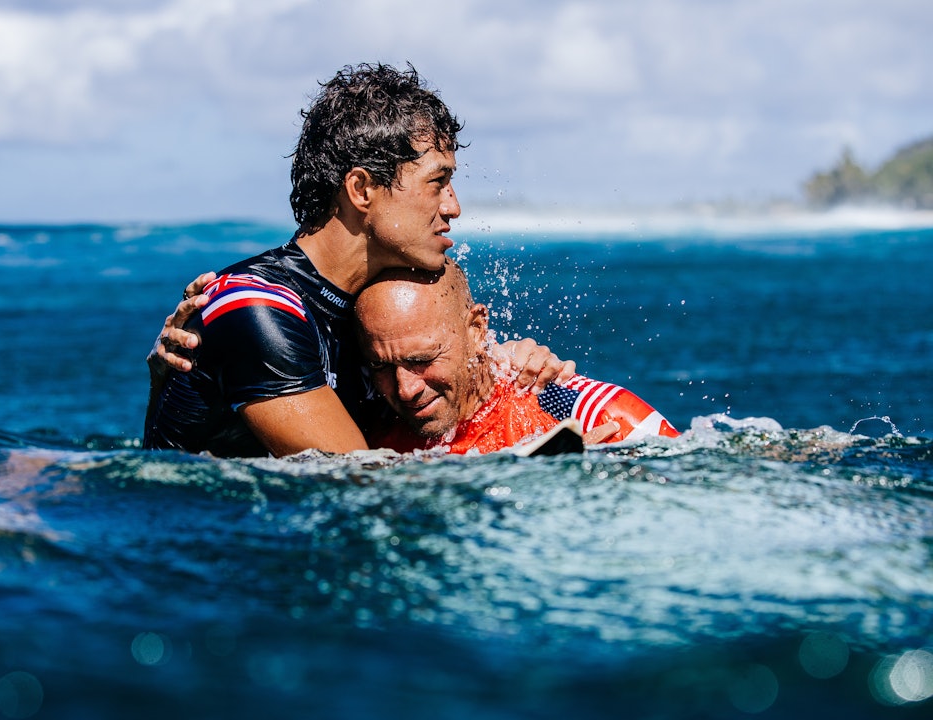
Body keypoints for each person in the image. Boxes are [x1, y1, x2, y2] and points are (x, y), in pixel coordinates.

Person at [143, 63, 572, 458]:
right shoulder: (252, 306)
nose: (453, 207)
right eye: (437, 182)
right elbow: (361, 483)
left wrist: (513, 368)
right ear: (362, 189)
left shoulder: (371, 312)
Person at [355, 262, 681, 454]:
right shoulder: (358, 420)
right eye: (380, 365)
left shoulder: (598, 416)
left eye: (422, 359)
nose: (405, 390)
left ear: (477, 329)